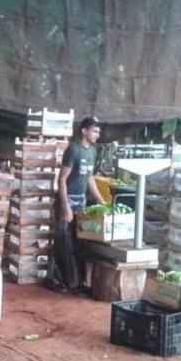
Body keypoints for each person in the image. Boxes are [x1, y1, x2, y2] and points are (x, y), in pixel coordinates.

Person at [52, 116, 105, 292]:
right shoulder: (73, 150)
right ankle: (60, 281)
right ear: (84, 131)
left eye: (98, 131)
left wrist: (100, 200)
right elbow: (62, 179)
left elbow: (90, 178)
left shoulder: (93, 151)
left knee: (78, 243)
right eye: (95, 131)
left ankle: (77, 282)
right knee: (63, 242)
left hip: (81, 202)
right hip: (67, 201)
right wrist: (64, 205)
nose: (98, 134)